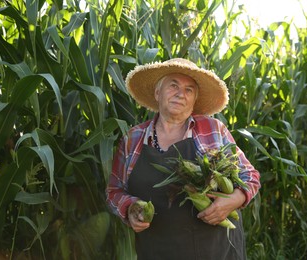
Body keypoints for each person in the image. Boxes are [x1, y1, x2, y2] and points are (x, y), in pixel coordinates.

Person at [106, 58, 261, 260]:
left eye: (189, 90)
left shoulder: (213, 129)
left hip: (216, 251)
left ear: (194, 100)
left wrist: (234, 200)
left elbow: (250, 176)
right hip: (157, 251)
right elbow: (114, 191)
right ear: (157, 93)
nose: (181, 94)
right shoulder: (132, 139)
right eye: (173, 86)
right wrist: (130, 208)